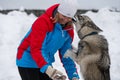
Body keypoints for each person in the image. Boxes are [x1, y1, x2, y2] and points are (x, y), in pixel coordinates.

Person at [16, 0, 79, 80]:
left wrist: (74, 76)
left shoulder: (68, 30)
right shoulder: (43, 23)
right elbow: (36, 49)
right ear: (58, 12)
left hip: (44, 62)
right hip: (28, 60)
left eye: (69, 17)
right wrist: (47, 69)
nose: (65, 19)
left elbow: (66, 55)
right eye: (63, 15)